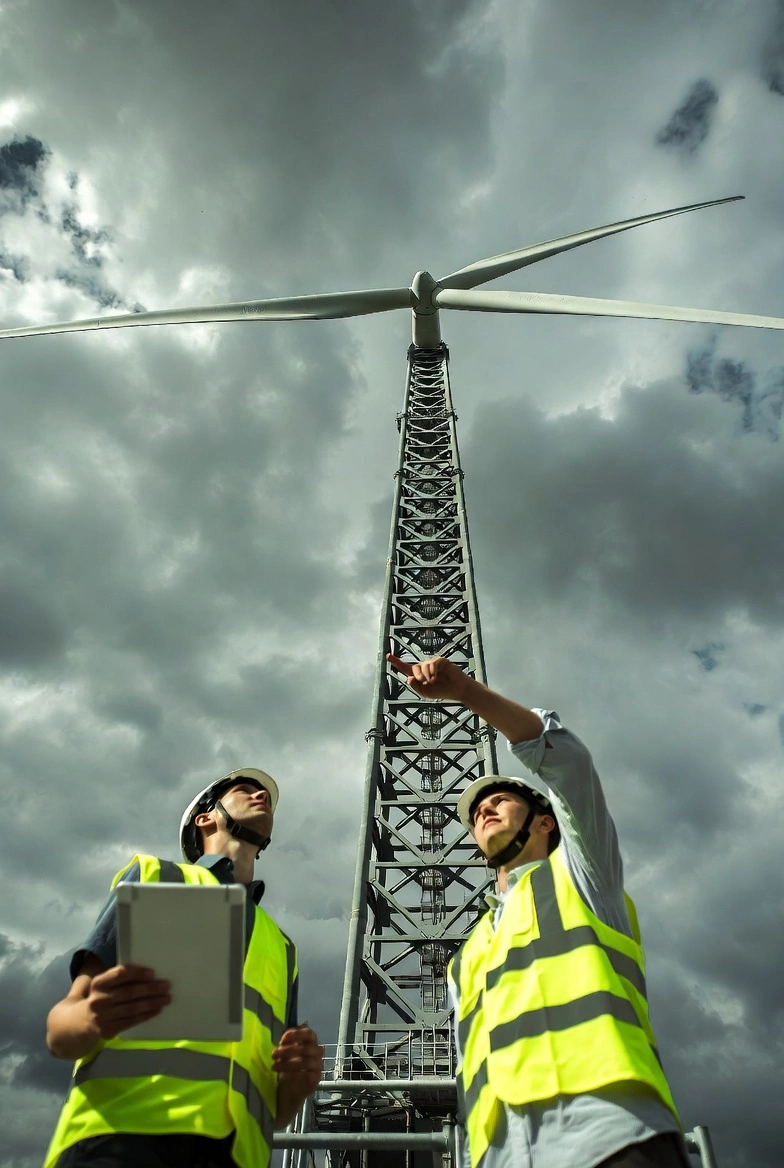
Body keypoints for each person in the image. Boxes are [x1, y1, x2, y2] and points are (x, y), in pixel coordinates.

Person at [387, 654, 690, 1168]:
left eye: (500, 800)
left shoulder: (584, 879)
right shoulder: (470, 954)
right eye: (476, 813)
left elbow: (568, 763)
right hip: (501, 1155)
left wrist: (467, 693)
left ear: (547, 823)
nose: (483, 809)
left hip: (609, 1134)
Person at [44, 767, 324, 1168]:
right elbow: (60, 1033)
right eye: (245, 790)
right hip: (121, 1141)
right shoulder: (157, 878)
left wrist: (297, 1085)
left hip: (233, 1157)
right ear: (205, 818)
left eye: (264, 794)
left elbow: (275, 1112)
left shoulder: (282, 947)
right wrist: (91, 1016)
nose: (261, 795)